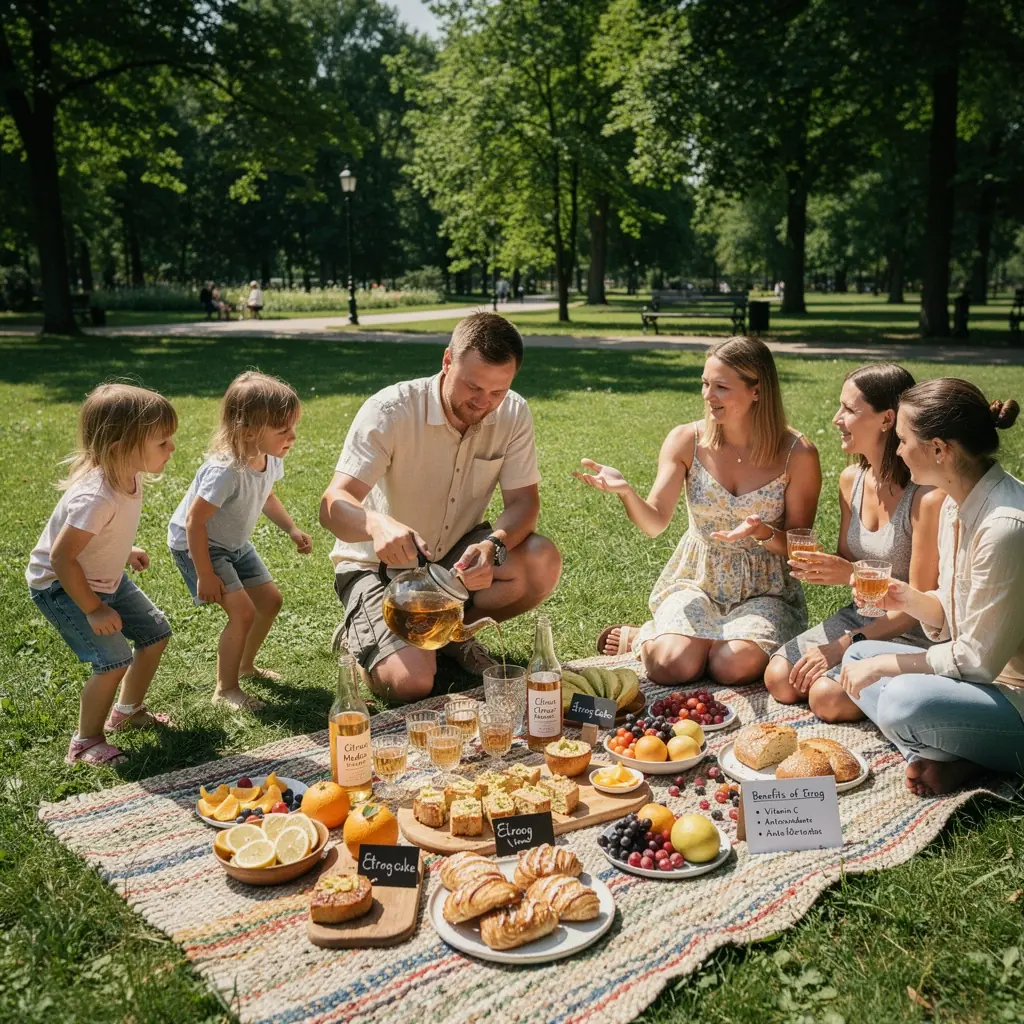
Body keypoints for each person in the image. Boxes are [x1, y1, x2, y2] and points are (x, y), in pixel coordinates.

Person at [320, 312, 562, 702]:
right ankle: (360, 637)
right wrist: (377, 524)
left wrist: (493, 546)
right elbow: (332, 504)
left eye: (497, 392)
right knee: (411, 684)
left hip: (453, 559)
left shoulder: (513, 412)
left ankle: (447, 635)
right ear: (447, 361)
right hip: (379, 569)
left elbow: (523, 503)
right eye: (473, 386)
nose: (484, 402)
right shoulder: (391, 409)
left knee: (541, 559)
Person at [581, 336, 821, 686]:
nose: (708, 396)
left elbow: (800, 549)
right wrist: (626, 492)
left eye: (721, 387)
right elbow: (655, 522)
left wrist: (763, 533)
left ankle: (700, 642)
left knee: (731, 666)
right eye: (705, 384)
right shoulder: (686, 440)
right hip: (698, 579)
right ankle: (647, 637)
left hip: (765, 588)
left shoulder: (797, 454)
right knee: (670, 666)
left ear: (757, 391)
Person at [840, 379, 1024, 796]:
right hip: (986, 685)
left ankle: (955, 755)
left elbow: (977, 659)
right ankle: (954, 756)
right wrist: (904, 597)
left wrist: (885, 666)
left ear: (939, 449)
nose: (898, 450)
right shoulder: (955, 503)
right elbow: (952, 607)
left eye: (904, 440)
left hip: (1014, 695)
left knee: (901, 699)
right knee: (857, 655)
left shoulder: (1005, 527)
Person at [765, 364, 943, 720]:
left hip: (912, 630)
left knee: (826, 698)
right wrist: (820, 563)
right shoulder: (851, 481)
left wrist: (841, 647)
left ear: (886, 419)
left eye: (849, 409)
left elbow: (917, 607)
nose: (836, 418)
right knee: (780, 677)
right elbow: (848, 561)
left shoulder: (927, 497)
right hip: (861, 616)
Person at [26, 384, 178, 766]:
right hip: (63, 584)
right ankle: (86, 741)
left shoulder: (129, 474)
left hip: (101, 575)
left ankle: (126, 712)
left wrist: (124, 550)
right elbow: (62, 558)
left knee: (155, 633)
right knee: (113, 660)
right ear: (120, 446)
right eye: (162, 442)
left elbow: (98, 535)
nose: (171, 449)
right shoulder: (95, 495)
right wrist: (93, 609)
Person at [168, 371, 312, 711]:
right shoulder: (226, 470)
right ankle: (225, 688)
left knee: (270, 601)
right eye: (283, 430)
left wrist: (291, 529)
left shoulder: (269, 458)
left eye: (293, 427)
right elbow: (194, 522)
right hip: (199, 545)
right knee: (242, 612)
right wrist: (204, 574)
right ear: (248, 431)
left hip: (234, 543)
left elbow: (267, 496)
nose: (292, 436)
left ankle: (245, 666)